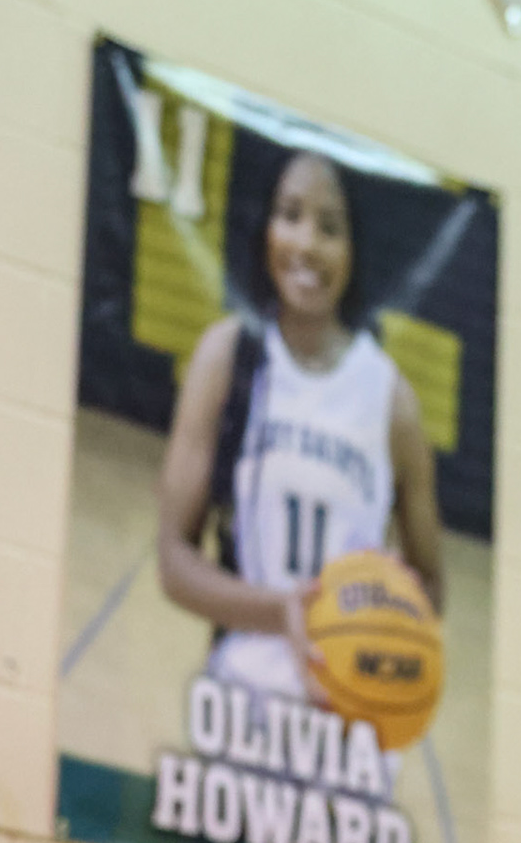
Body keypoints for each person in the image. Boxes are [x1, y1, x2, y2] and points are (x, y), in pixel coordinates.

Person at [157, 148, 446, 711]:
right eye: (290, 215)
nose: (307, 244)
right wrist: (284, 610)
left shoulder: (393, 400)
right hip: (240, 704)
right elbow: (174, 560)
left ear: (355, 247)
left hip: (353, 720)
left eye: (330, 227)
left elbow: (430, 586)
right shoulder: (227, 357)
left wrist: (382, 619)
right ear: (265, 227)